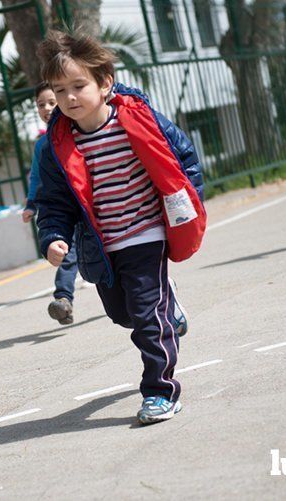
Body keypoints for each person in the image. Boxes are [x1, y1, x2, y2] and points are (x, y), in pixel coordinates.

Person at [34, 30, 206, 425]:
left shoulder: (137, 118)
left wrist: (189, 201)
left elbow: (182, 157)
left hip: (147, 233)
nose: (69, 98)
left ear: (105, 82)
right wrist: (54, 236)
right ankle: (170, 307)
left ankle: (161, 391)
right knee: (123, 315)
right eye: (60, 91)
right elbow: (54, 202)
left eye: (79, 86)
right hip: (102, 243)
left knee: (146, 319)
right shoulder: (56, 145)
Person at [22, 82, 80, 325]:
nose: (46, 108)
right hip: (64, 211)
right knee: (68, 252)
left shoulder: (80, 132)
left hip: (94, 207)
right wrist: (31, 204)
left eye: (51, 102)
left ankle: (153, 292)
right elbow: (37, 177)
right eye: (41, 104)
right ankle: (64, 300)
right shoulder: (42, 146)